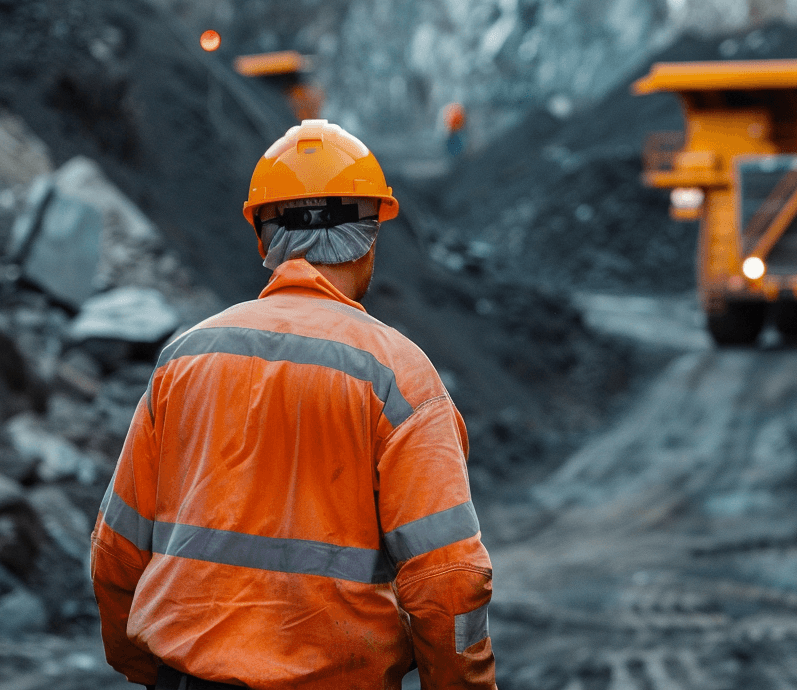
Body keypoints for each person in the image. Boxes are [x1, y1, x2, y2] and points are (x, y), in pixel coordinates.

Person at [90, 120, 496, 690]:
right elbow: (449, 580)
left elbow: (116, 549)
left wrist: (142, 667)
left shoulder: (185, 359)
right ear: (371, 234)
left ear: (263, 239)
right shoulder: (400, 378)